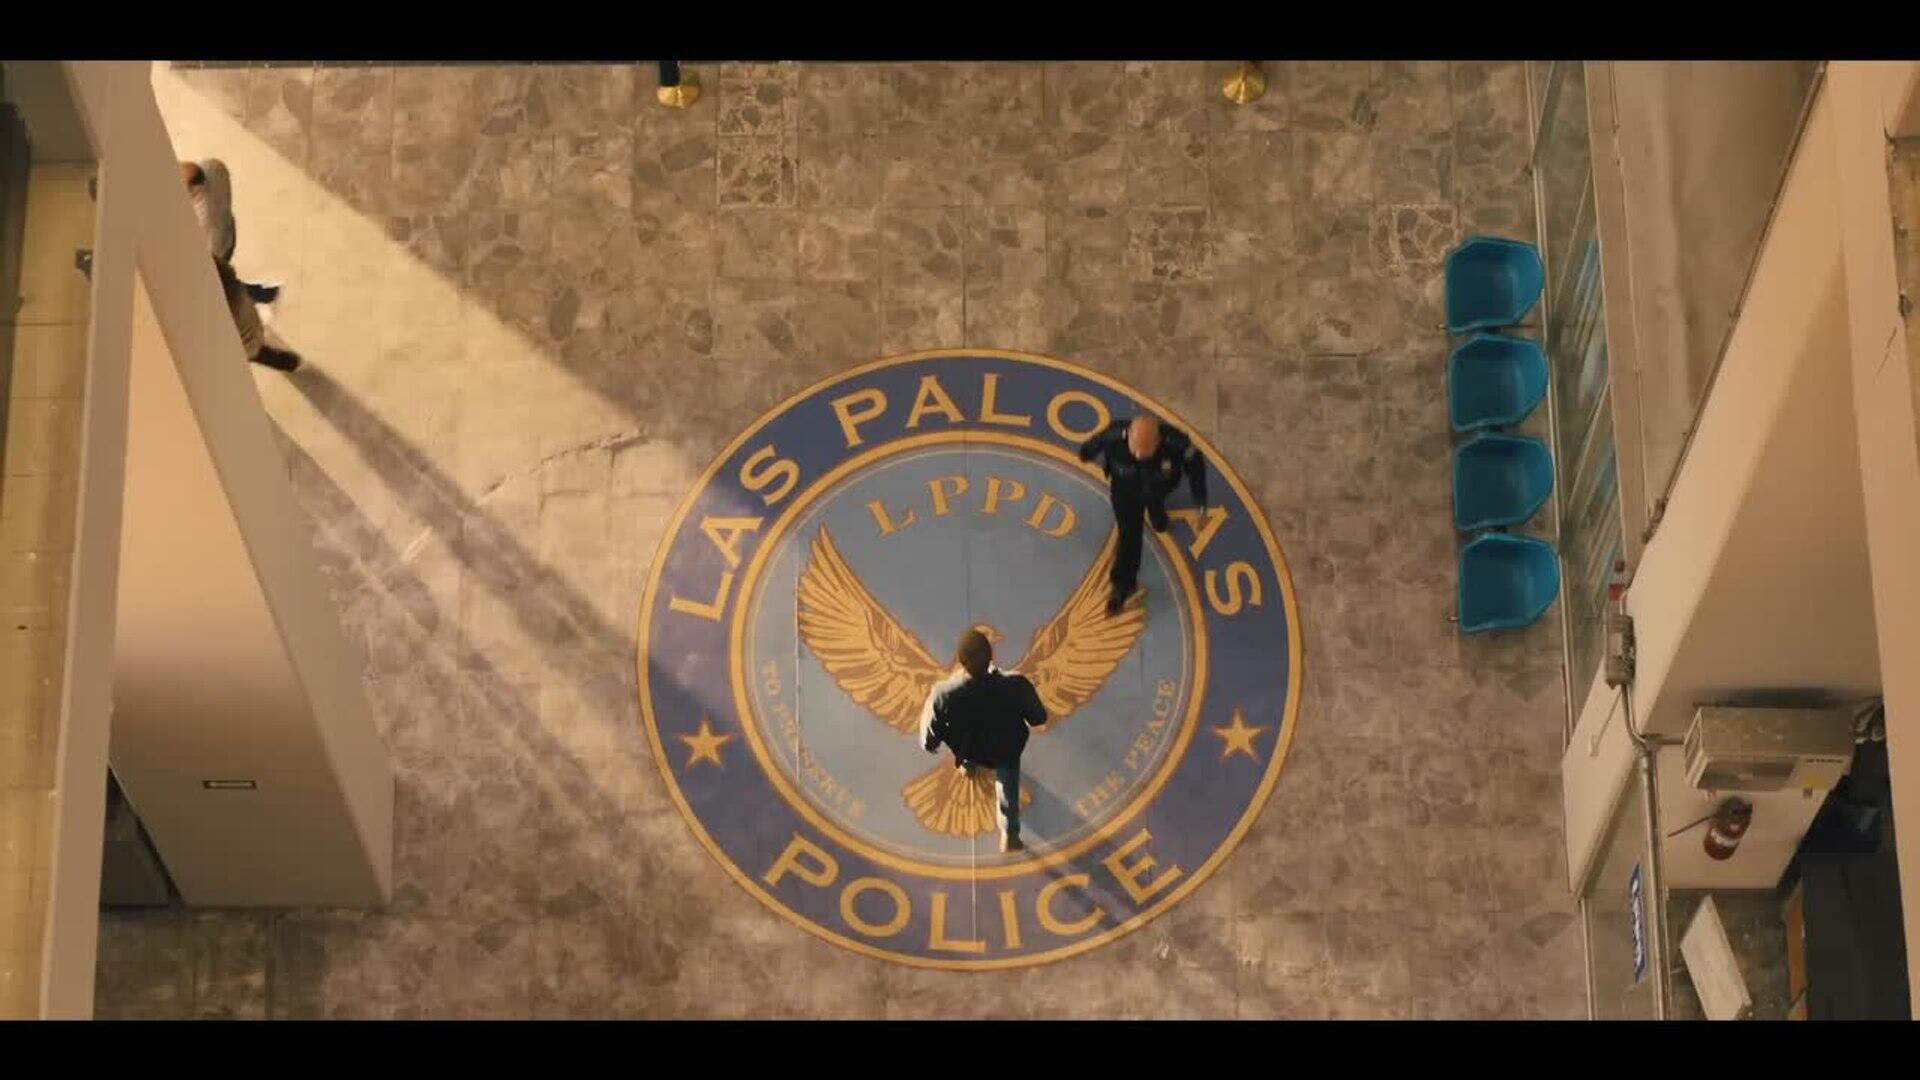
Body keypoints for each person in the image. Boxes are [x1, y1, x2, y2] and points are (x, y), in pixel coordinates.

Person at [918, 629, 1048, 853]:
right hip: (1006, 750)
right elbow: (1038, 718)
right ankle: (1010, 835)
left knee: (968, 752)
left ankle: (968, 767)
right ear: (991, 655)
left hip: (970, 750)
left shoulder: (943, 694)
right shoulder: (1016, 685)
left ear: (961, 660)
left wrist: (931, 744)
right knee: (1008, 785)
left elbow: (930, 736)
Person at [1078, 413, 1209, 616]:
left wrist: (1200, 503)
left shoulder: (1177, 444)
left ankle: (1158, 516)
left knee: (1156, 508)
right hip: (1126, 494)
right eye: (1135, 449)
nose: (1139, 455)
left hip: (1157, 489)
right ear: (1128, 435)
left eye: (1145, 451)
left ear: (1158, 441)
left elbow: (1196, 469)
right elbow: (1090, 447)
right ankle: (1123, 586)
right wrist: (1086, 453)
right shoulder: (1113, 436)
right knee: (1129, 539)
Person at [182, 160, 278, 304]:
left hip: (221, 248)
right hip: (228, 227)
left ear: (196, 190)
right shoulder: (213, 168)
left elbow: (212, 259)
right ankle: (263, 293)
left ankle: (261, 295)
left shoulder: (206, 224)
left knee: (222, 284)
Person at [216, 256, 300, 372]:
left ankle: (289, 363)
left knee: (257, 351)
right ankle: (266, 294)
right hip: (243, 309)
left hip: (246, 340)